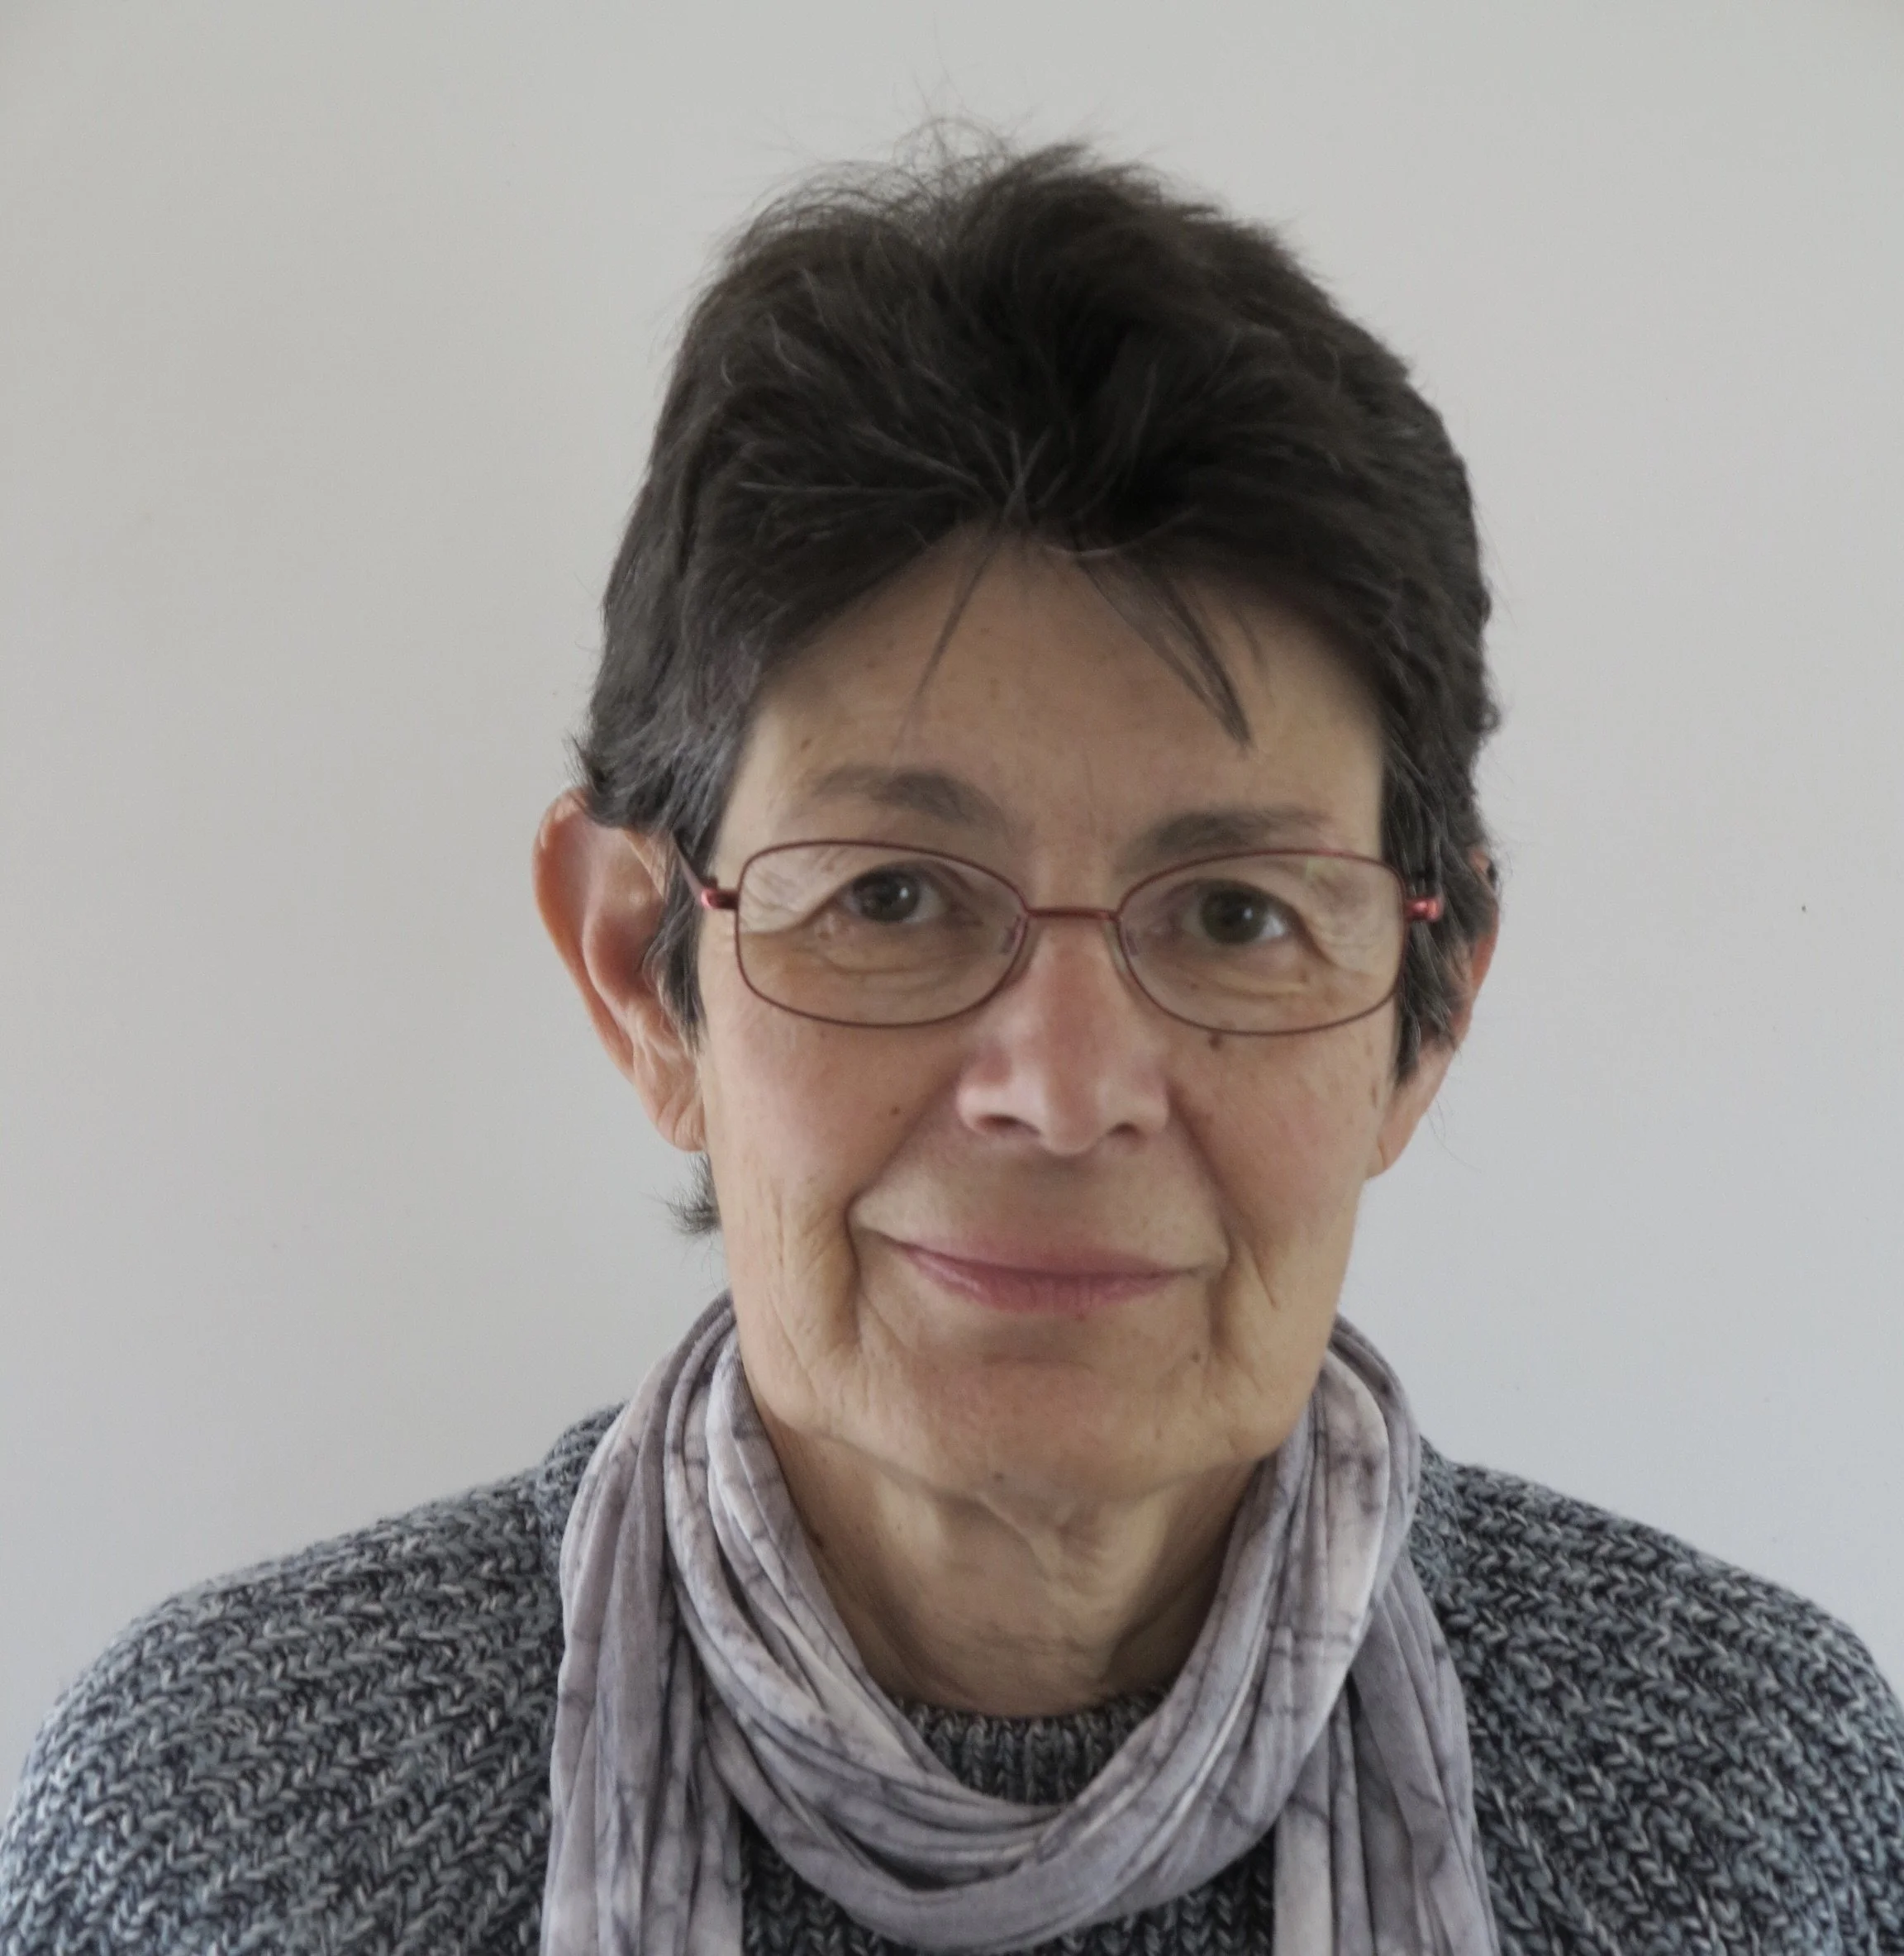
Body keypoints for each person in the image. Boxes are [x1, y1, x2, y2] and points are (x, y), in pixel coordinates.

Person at [3, 135, 1901, 1956]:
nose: (1063, 1091)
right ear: (642, 971)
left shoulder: (1757, 1816)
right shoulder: (215, 1840)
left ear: (1435, 1002)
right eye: (893, 896)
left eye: (1236, 914)